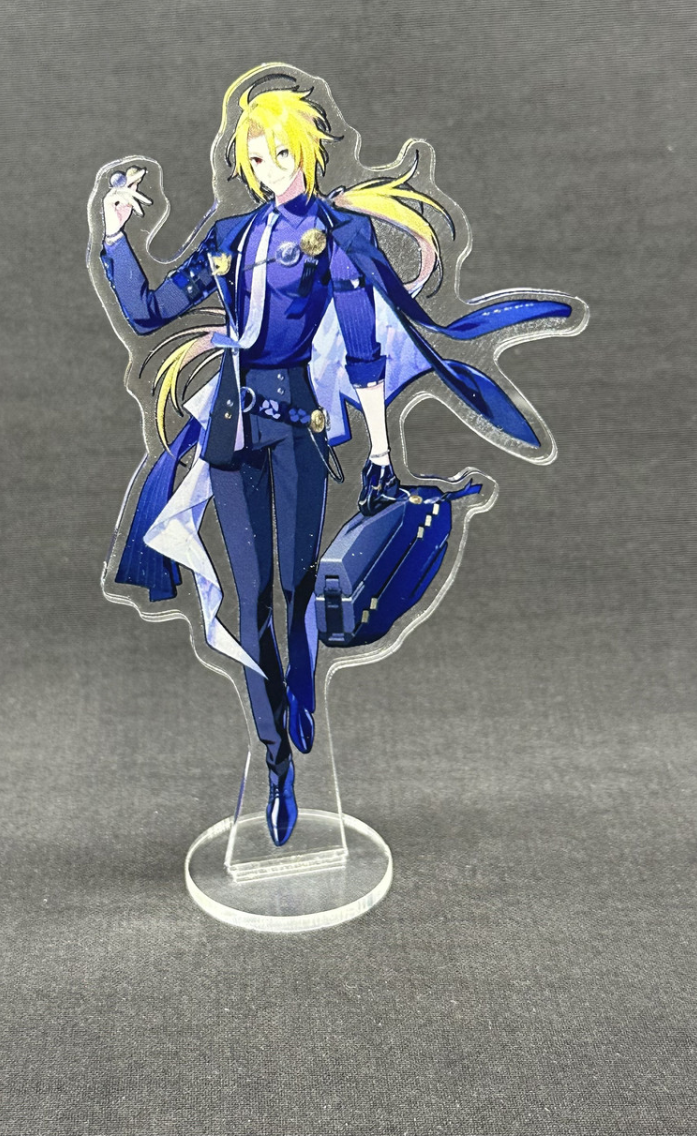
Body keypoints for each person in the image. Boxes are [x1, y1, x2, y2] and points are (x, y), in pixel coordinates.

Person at [98, 79, 572, 845]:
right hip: (233, 431)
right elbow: (150, 311)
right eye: (257, 158)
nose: (270, 169)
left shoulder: (338, 233)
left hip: (299, 429)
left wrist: (381, 451)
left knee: (299, 587)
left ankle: (300, 697)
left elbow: (362, 351)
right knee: (251, 600)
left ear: (308, 152)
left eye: (281, 154)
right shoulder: (229, 235)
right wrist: (117, 236)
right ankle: (275, 759)